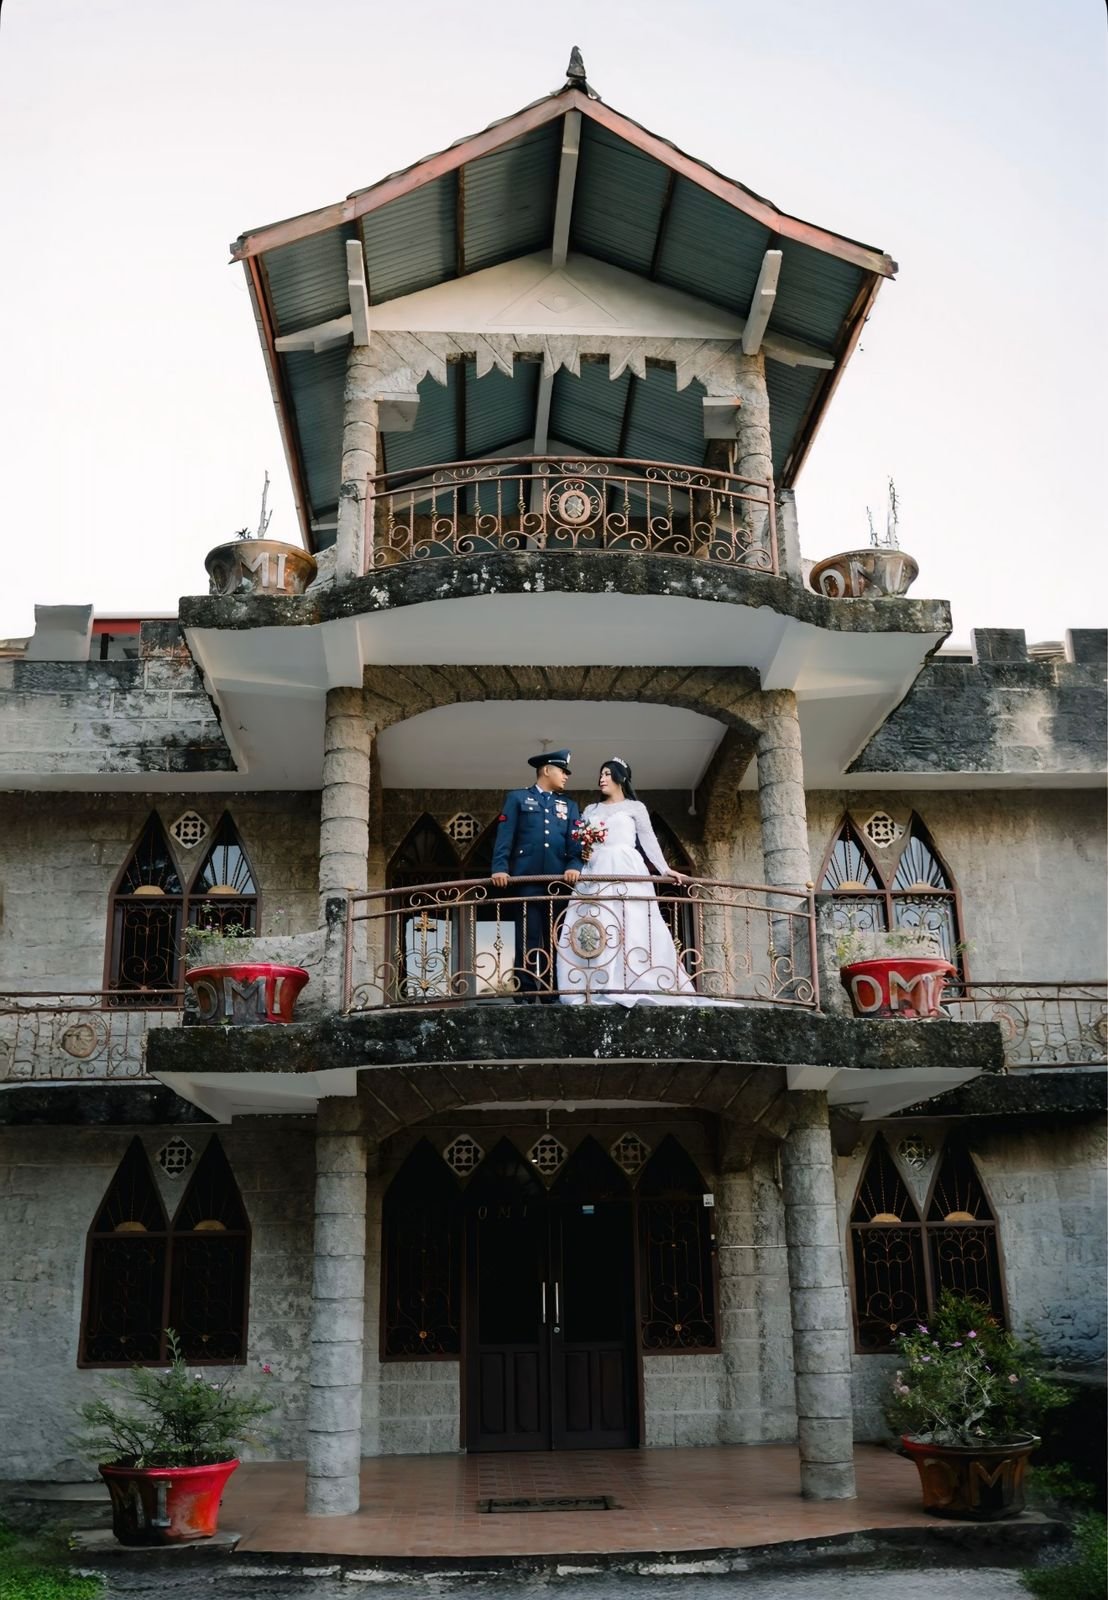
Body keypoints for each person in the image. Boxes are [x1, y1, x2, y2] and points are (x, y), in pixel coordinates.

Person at [556, 756, 702, 1007]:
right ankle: (593, 982)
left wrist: (665, 869)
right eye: (601, 774)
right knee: (595, 921)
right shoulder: (591, 810)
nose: (602, 778)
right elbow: (582, 844)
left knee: (631, 921)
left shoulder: (635, 808)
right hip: (596, 869)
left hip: (626, 865)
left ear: (620, 778)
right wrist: (585, 851)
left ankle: (635, 977)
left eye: (607, 774)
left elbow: (649, 841)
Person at [491, 750, 582, 999]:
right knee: (527, 937)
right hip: (527, 879)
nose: (566, 776)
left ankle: (554, 991)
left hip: (559, 882)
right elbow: (505, 836)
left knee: (556, 938)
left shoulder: (569, 805)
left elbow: (576, 843)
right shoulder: (518, 798)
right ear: (547, 770)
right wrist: (500, 868)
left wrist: (574, 865)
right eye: (562, 771)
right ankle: (526, 992)